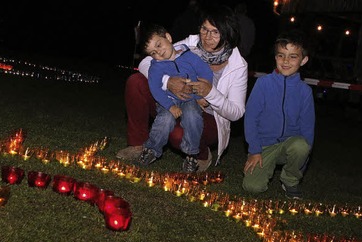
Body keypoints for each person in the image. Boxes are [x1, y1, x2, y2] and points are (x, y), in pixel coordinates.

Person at [117, 5, 248, 172]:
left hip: (210, 116)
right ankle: (139, 146)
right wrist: (167, 82)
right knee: (136, 81)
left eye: (215, 32)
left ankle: (199, 155)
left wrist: (210, 94)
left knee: (178, 135)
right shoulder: (190, 45)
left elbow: (236, 112)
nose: (207, 37)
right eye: (204, 29)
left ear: (227, 32)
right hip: (174, 100)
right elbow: (146, 62)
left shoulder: (239, 66)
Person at [242, 30, 315, 199]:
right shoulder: (263, 84)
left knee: (301, 145)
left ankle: (290, 179)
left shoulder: (305, 92)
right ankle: (263, 166)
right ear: (275, 57)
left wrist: (302, 163)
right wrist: (254, 150)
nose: (286, 61)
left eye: (293, 56)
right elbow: (251, 118)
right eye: (281, 55)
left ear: (303, 60)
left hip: (289, 145)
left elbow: (308, 129)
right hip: (263, 146)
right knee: (252, 187)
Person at [136, 24, 214, 172]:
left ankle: (191, 154)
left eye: (158, 45)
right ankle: (151, 149)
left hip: (190, 98)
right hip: (168, 99)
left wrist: (199, 95)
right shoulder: (156, 67)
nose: (158, 52)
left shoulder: (189, 55)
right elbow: (155, 89)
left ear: (168, 37)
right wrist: (169, 106)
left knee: (193, 116)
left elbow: (206, 73)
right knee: (165, 119)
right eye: (153, 52)